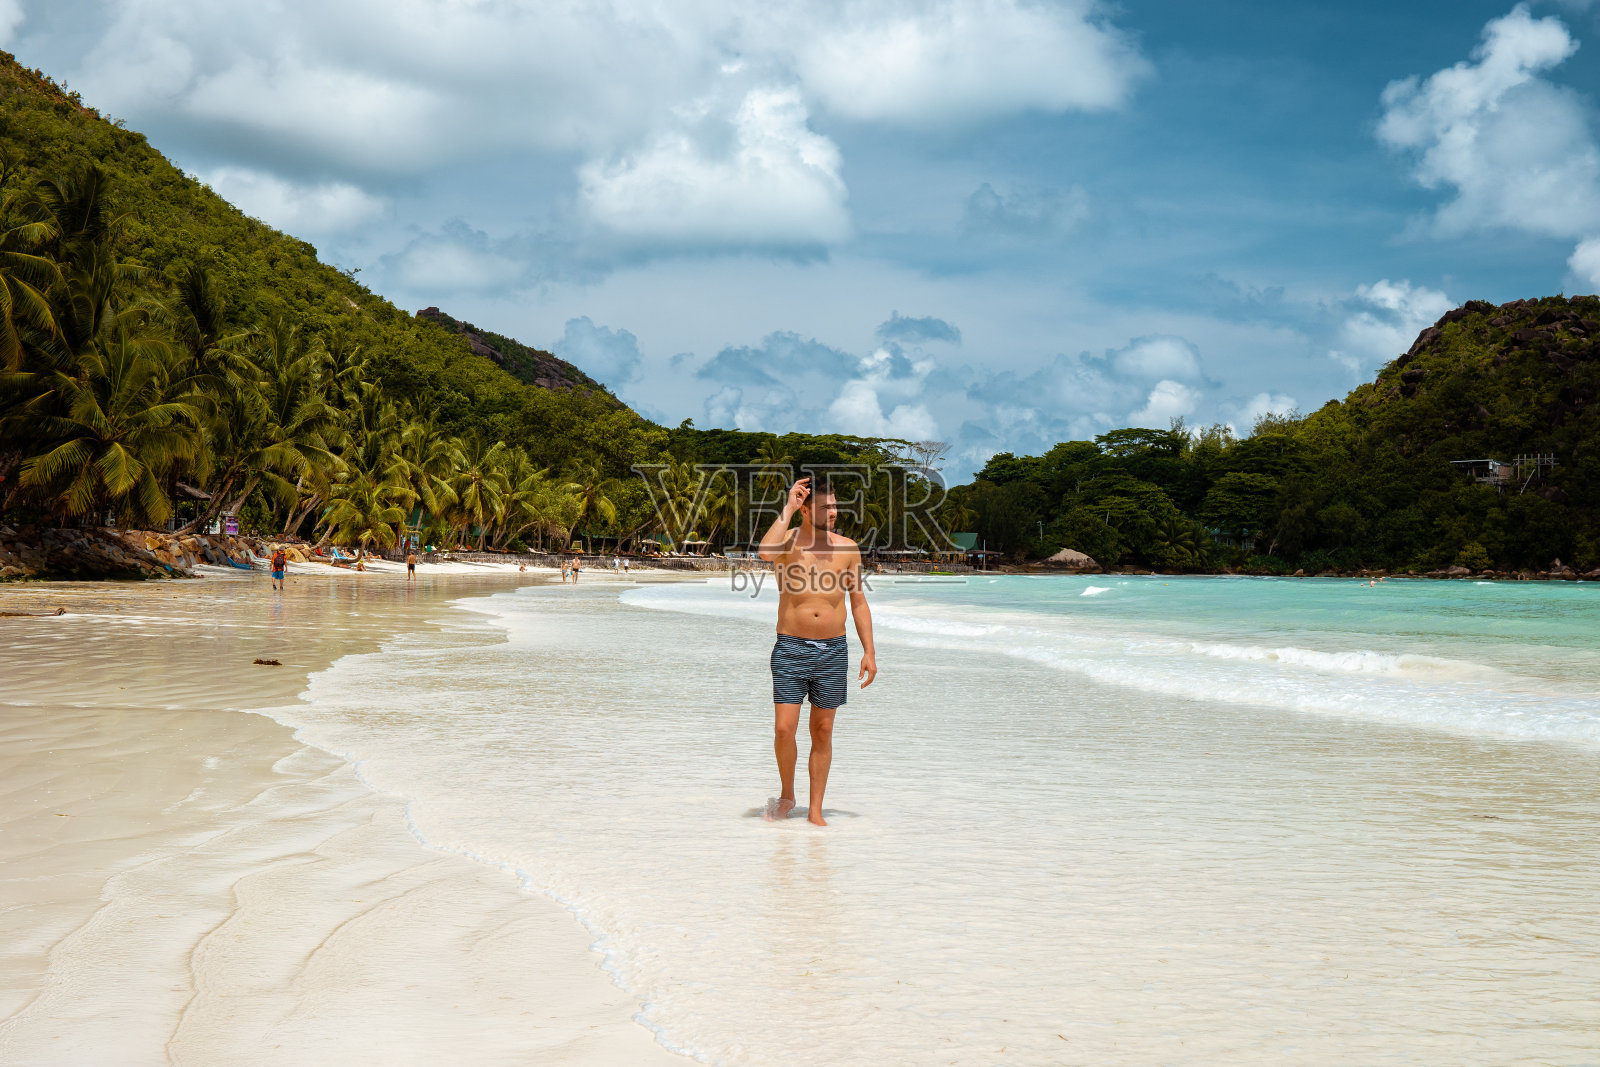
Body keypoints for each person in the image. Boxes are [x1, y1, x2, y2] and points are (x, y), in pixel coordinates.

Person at [757, 476, 877, 826]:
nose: (834, 512)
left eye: (836, 506)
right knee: (784, 730)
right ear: (807, 509)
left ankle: (815, 810)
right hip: (791, 647)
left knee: (823, 731)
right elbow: (765, 552)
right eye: (826, 507)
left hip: (833, 650)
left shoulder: (848, 548)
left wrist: (869, 651)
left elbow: (858, 602)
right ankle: (787, 794)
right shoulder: (788, 543)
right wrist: (789, 507)